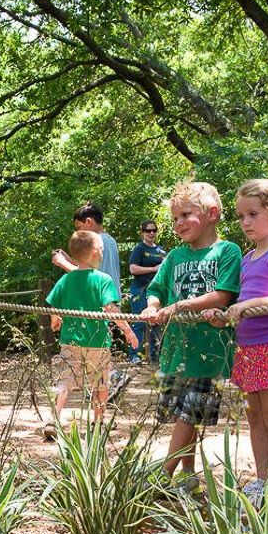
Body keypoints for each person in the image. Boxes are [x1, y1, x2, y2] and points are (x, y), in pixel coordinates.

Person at [202, 180, 268, 506]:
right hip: (246, 349)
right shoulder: (248, 257)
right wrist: (225, 316)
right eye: (241, 216)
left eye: (253, 214)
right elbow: (244, 304)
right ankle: (263, 481)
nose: (245, 222)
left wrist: (246, 306)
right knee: (256, 420)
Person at [140, 181, 241, 483]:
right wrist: (153, 305)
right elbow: (156, 289)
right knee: (185, 417)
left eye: (185, 214)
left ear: (211, 213)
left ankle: (161, 476)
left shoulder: (227, 251)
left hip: (208, 352)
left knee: (189, 416)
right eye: (174, 218)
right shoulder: (174, 256)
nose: (178, 223)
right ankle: (188, 474)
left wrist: (179, 306)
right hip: (175, 349)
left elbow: (222, 295)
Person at [44, 229, 139, 439]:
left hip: (70, 340)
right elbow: (110, 309)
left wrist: (55, 320)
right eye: (102, 250)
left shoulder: (66, 280)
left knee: (65, 382)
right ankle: (98, 422)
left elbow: (53, 304)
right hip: (97, 341)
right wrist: (128, 330)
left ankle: (53, 418)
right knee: (100, 383)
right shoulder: (103, 280)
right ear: (95, 252)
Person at [52, 202, 129, 396]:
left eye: (79, 227)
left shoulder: (98, 241)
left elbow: (90, 279)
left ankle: (110, 379)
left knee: (94, 344)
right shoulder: (108, 240)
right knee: (97, 345)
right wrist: (71, 260)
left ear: (88, 222)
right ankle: (103, 383)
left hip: (101, 302)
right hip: (109, 298)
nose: (78, 232)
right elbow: (88, 269)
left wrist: (63, 264)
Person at [127, 220, 167, 364]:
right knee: (140, 323)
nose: (151, 233)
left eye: (154, 230)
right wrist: (153, 269)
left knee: (157, 323)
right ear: (142, 232)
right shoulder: (139, 249)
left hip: (157, 293)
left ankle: (156, 357)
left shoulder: (161, 251)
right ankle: (134, 356)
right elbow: (133, 269)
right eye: (148, 230)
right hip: (140, 291)